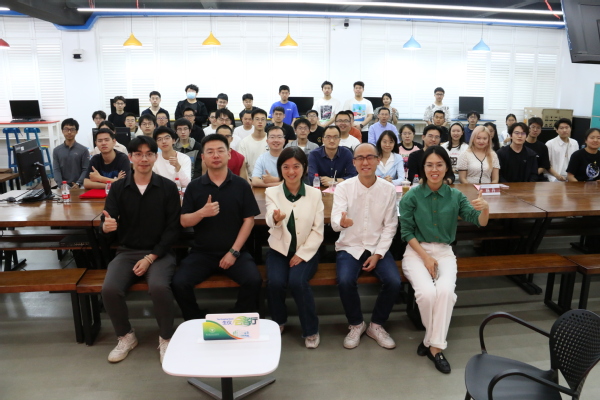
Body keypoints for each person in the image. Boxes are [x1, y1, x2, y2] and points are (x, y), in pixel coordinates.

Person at [400, 146, 489, 374]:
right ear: (423, 168)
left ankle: (433, 346)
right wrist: (426, 257)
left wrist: (485, 209)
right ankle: (435, 343)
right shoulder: (411, 196)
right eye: (429, 165)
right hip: (417, 251)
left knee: (446, 293)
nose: (434, 169)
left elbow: (479, 221)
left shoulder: (455, 195)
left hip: (445, 252)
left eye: (439, 164)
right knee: (427, 294)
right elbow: (406, 233)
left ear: (447, 167)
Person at [100, 135, 181, 364]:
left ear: (155, 157)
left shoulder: (167, 187)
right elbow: (108, 218)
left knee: (159, 287)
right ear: (130, 157)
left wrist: (151, 257)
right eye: (138, 154)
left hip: (159, 253)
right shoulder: (118, 188)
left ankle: (166, 337)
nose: (143, 159)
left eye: (148, 154)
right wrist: (106, 226)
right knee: (109, 289)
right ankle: (126, 336)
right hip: (127, 251)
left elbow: (173, 229)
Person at [172, 134, 263, 320]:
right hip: (202, 253)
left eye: (220, 151)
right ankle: (196, 320)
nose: (215, 155)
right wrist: (201, 213)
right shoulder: (194, 187)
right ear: (203, 157)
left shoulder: (241, 185)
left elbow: (249, 220)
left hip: (235, 251)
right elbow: (184, 221)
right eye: (210, 152)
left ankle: (237, 319)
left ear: (229, 154)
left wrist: (233, 252)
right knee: (179, 283)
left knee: (254, 280)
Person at [332, 143, 401, 349]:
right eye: (360, 158)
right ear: (353, 162)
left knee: (394, 282)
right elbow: (336, 221)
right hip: (350, 245)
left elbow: (390, 226)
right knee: (345, 281)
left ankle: (376, 325)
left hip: (376, 245)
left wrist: (378, 254)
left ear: (378, 160)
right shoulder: (344, 188)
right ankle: (356, 324)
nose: (365, 162)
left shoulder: (388, 189)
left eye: (370, 157)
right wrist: (341, 223)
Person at [266, 147, 324, 348]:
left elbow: (318, 231)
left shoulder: (314, 194)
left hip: (306, 250)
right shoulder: (271, 192)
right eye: (286, 167)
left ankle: (311, 329)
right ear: (280, 169)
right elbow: (269, 216)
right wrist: (275, 219)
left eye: (296, 166)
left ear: (304, 168)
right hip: (278, 249)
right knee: (275, 282)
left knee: (298, 282)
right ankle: (278, 321)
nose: (291, 171)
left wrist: (302, 254)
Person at [52, 118, 89, 189]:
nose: (69, 132)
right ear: (62, 131)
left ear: (76, 131)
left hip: (80, 185)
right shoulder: (56, 150)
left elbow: (85, 169)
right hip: (63, 186)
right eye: (66, 129)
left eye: (72, 129)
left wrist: (78, 183)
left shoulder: (83, 150)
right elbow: (56, 170)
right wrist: (61, 185)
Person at [239, 109, 269, 177]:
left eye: (263, 119)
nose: (260, 122)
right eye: (257, 119)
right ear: (252, 121)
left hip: (269, 179)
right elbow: (243, 166)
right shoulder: (244, 142)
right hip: (250, 179)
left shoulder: (272, 140)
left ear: (266, 122)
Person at [524, 117, 551, 181]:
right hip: (522, 178)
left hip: (538, 178)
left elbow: (543, 166)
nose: (535, 130)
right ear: (528, 128)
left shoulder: (543, 147)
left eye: (538, 128)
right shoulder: (521, 144)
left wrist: (533, 175)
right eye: (533, 127)